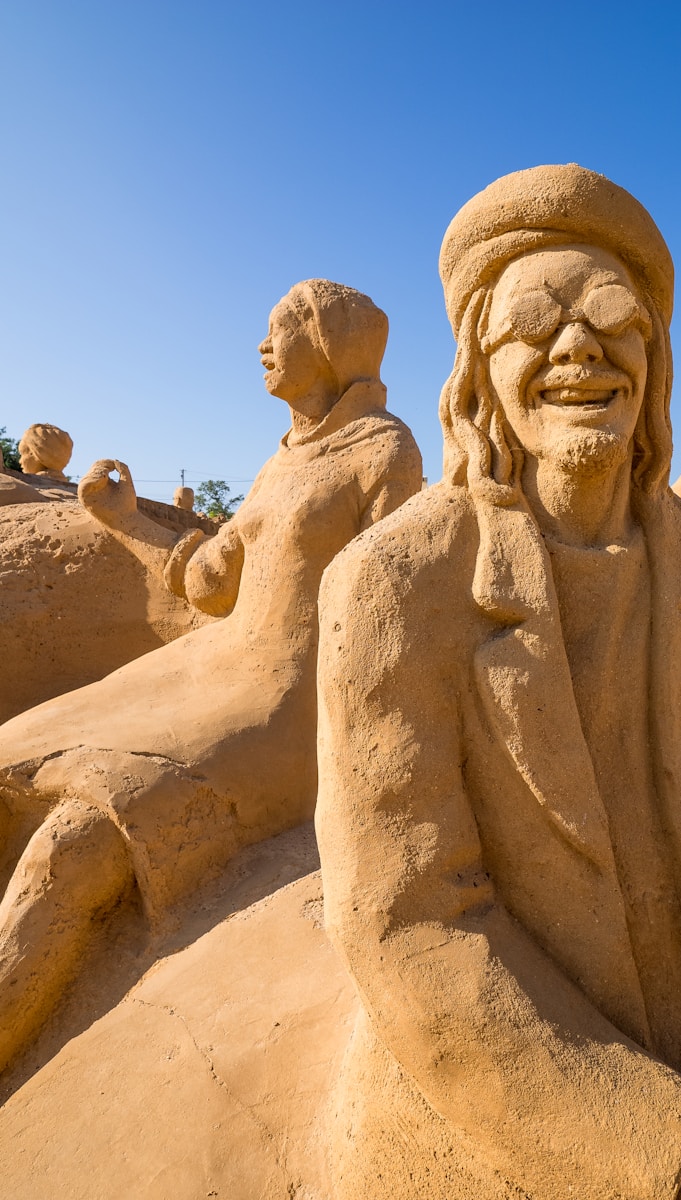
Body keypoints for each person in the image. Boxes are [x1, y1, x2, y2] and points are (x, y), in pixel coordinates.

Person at [314, 167, 681, 1199]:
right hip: (495, 1091)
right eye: (532, 324)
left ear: (655, 354)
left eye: (611, 317)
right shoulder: (393, 583)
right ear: (476, 371)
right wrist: (676, 1157)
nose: (576, 347)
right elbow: (410, 923)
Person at [0, 279, 421, 1072]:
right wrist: (124, 521)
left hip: (285, 704)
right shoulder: (278, 464)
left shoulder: (384, 451)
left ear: (328, 340)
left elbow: (398, 607)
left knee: (80, 842)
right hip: (200, 670)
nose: (263, 345)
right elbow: (209, 587)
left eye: (279, 328)